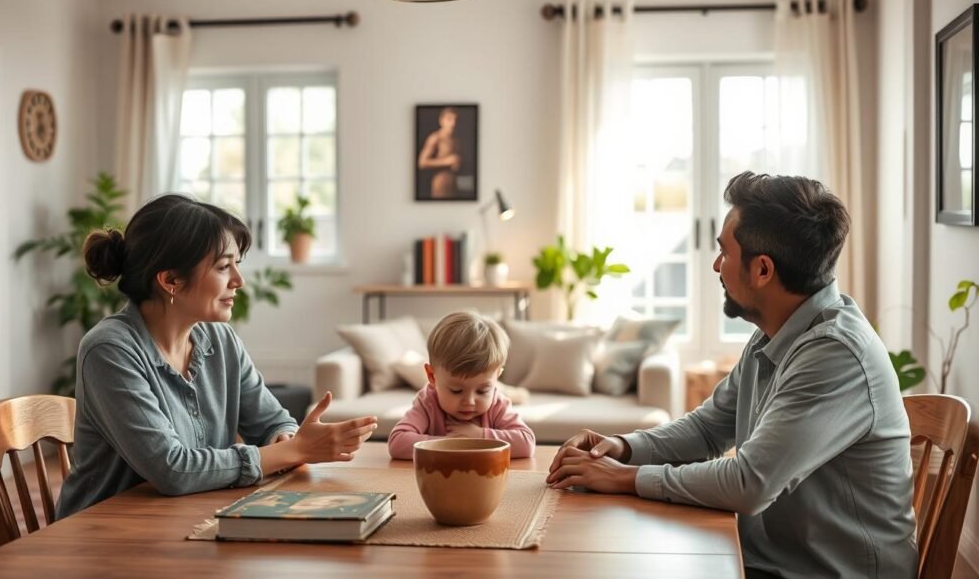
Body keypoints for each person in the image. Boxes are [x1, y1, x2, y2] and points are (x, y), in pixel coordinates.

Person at [547, 172, 917, 579]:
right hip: (768, 561)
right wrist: (620, 448)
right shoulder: (775, 333)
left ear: (762, 270)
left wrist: (626, 478)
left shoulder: (835, 354)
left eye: (724, 252)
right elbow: (708, 429)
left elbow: (749, 483)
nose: (717, 265)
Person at [55, 194, 378, 519]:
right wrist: (294, 450)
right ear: (171, 281)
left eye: (237, 264)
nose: (239, 281)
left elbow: (269, 420)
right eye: (224, 266)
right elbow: (173, 470)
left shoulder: (220, 339)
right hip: (106, 538)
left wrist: (287, 437)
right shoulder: (110, 350)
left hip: (187, 520)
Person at [388, 311, 535, 459]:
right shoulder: (428, 402)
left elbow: (527, 443)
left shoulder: (497, 404)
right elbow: (397, 443)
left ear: (497, 377)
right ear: (432, 376)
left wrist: (480, 435)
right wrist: (449, 444)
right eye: (456, 390)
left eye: (483, 391)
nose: (470, 401)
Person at [417, 107, 461, 198]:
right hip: (440, 184)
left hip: (453, 183)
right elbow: (422, 162)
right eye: (449, 119)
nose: (453, 123)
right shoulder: (435, 138)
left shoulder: (456, 139)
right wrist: (446, 161)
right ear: (441, 121)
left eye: (455, 119)